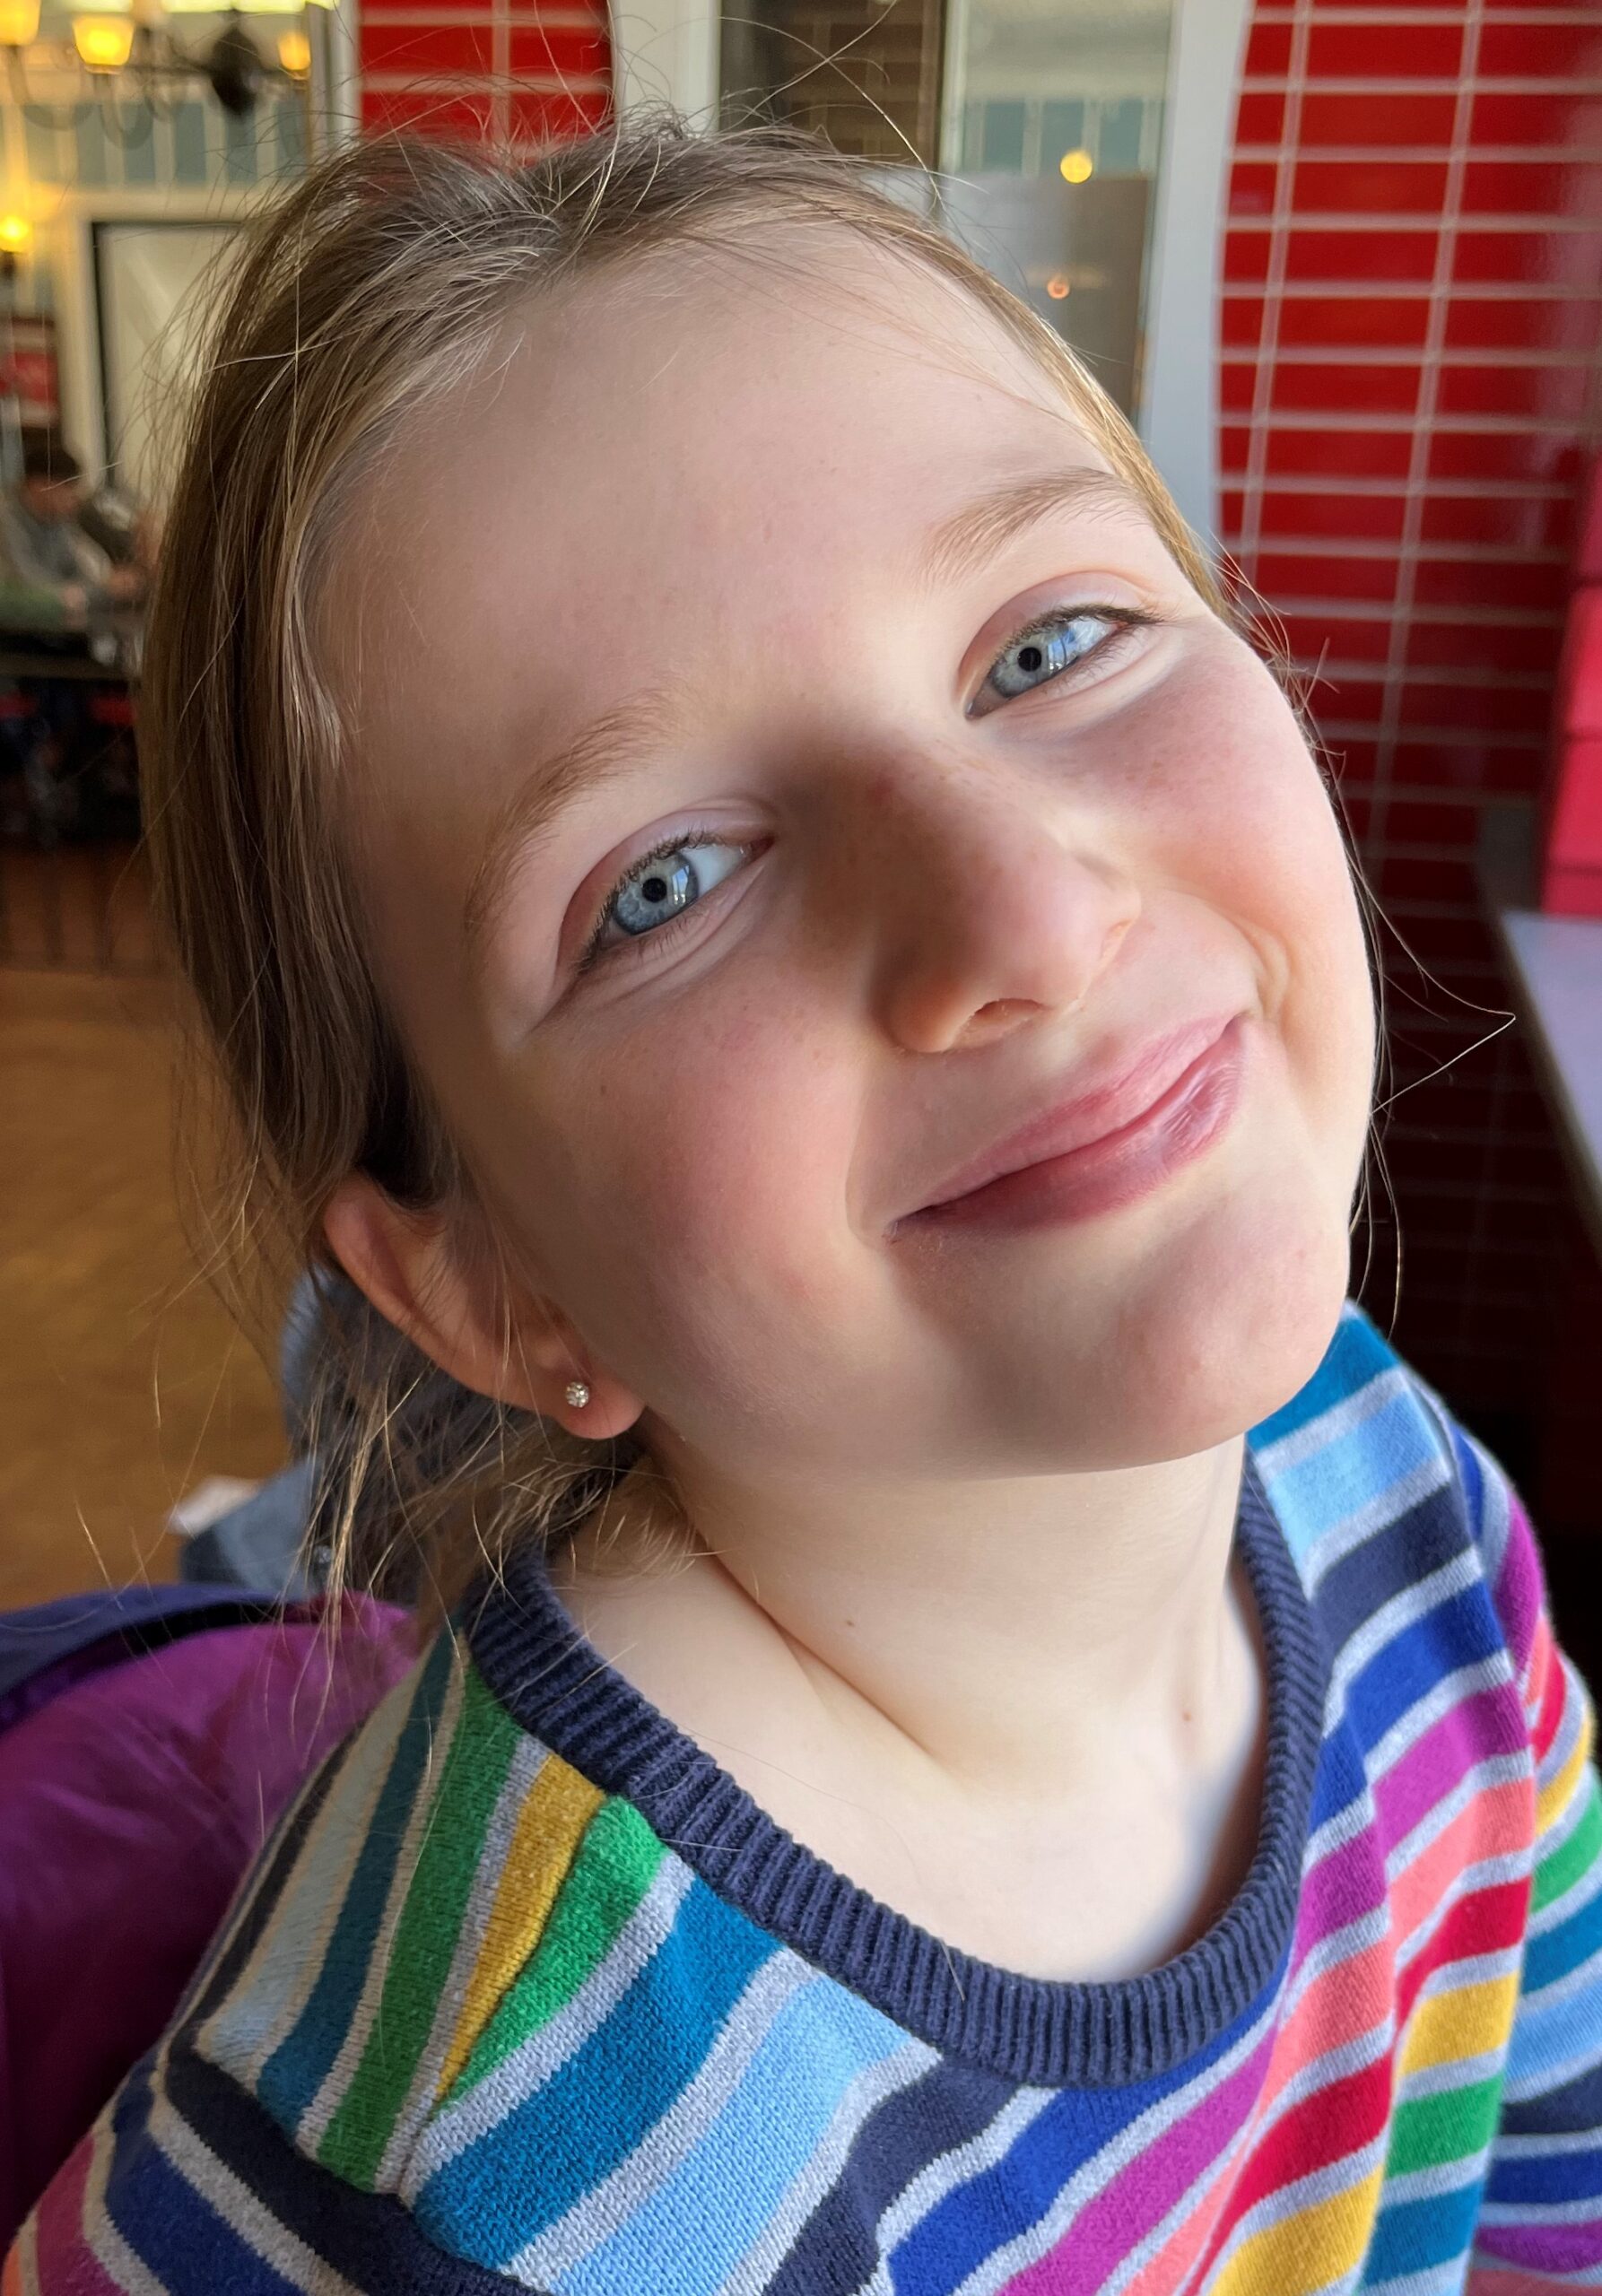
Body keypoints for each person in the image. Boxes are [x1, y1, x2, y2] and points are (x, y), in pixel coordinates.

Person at [10, 124, 1600, 2294]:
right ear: (487, 1286)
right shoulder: (487, 2170)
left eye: (1050, 644)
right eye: (661, 882)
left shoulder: (1404, 1504)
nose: (1021, 905)